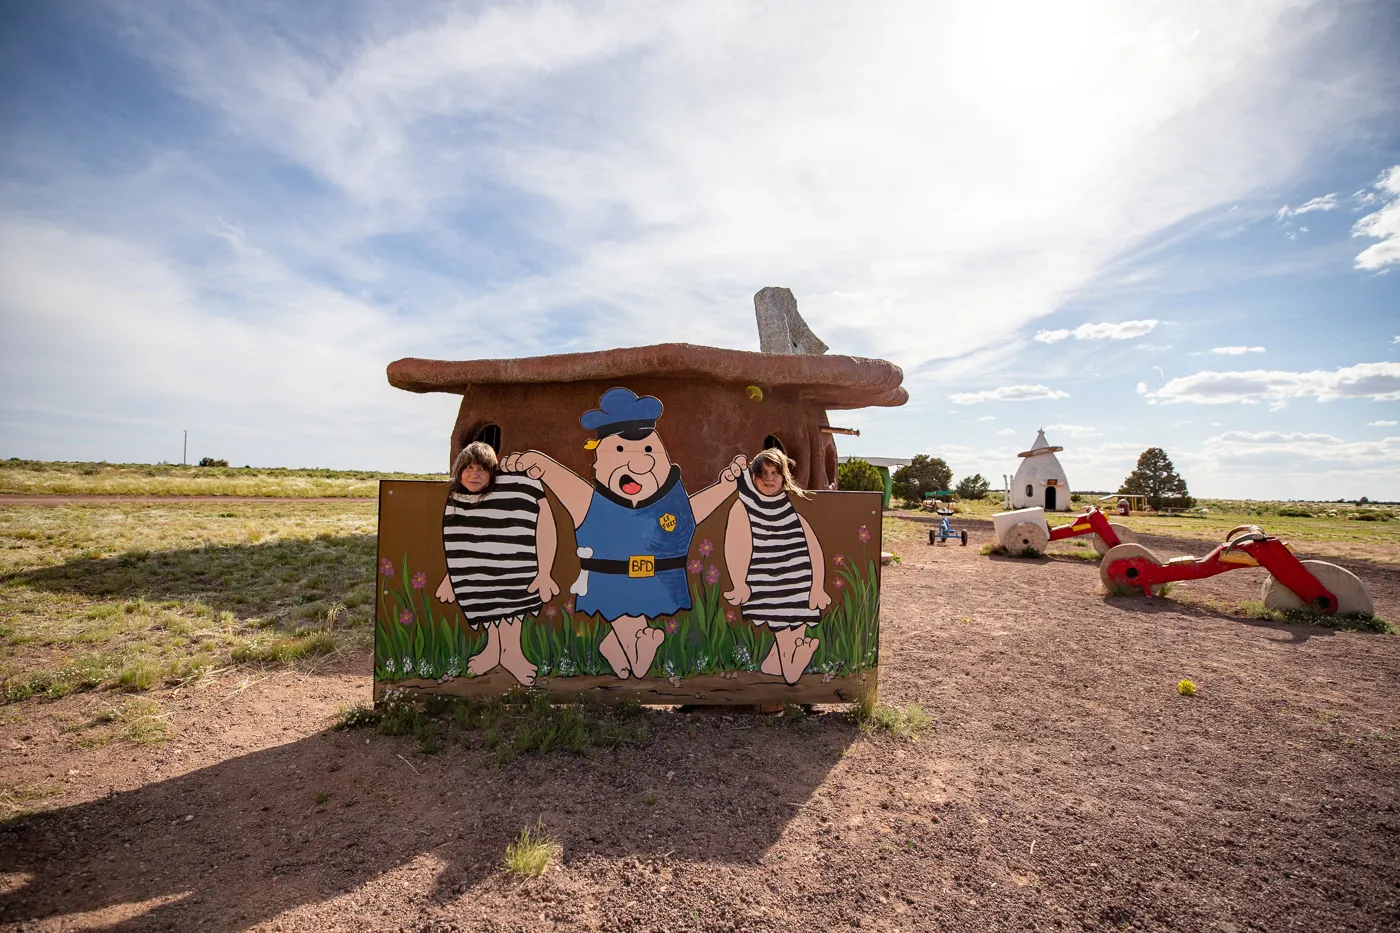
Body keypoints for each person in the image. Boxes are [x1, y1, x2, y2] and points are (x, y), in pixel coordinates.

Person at [503, 387, 746, 680]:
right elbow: (559, 477)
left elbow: (695, 512)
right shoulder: (590, 502)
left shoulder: (672, 500)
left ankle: (615, 647)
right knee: (628, 618)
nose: (639, 463)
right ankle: (637, 646)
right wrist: (537, 463)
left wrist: (726, 486)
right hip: (610, 580)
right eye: (620, 451)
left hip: (655, 581)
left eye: (648, 451)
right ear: (600, 459)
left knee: (634, 613)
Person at [434, 441, 558, 686]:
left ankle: (512, 653)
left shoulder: (521, 490)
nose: (474, 473)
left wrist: (544, 573)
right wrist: (452, 577)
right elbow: (457, 540)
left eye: (481, 468)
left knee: (511, 602)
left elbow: (545, 524)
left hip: (514, 565)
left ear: (493, 471)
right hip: (478, 572)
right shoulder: (456, 499)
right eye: (468, 467)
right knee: (485, 601)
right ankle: (493, 650)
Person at [722, 447, 830, 684]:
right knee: (784, 632)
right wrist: (739, 583)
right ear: (753, 478)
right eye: (762, 474)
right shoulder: (745, 507)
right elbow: (735, 544)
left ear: (784, 476)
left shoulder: (794, 507)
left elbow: (814, 548)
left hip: (800, 582)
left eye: (774, 472)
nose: (769, 478)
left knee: (795, 633)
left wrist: (817, 586)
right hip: (769, 585)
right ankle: (792, 673)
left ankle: (779, 666)